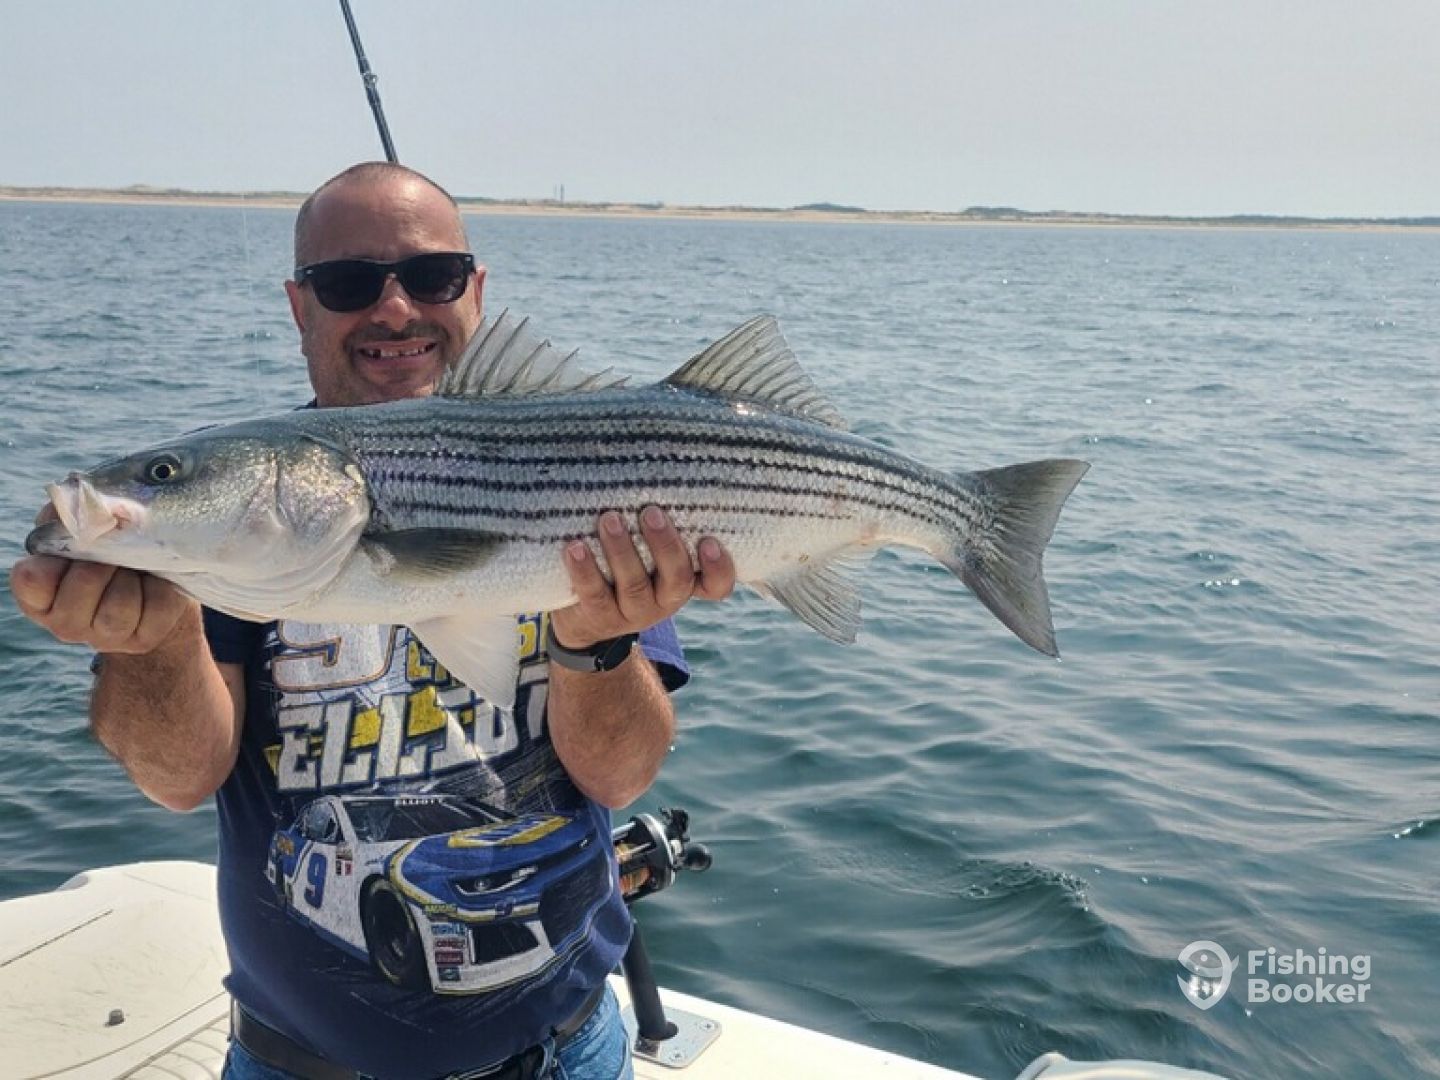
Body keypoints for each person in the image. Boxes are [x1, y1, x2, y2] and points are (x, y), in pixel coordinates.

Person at [9, 162, 736, 1080]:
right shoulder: (227, 545)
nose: (395, 309)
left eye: (432, 277)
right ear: (298, 306)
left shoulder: (596, 467)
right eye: (348, 282)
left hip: (568, 1051)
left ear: (476, 292)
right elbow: (179, 780)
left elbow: (621, 776)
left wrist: (593, 640)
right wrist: (153, 641)